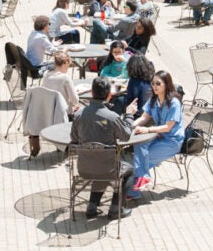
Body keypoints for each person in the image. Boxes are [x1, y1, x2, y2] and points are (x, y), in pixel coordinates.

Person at [71, 76, 133, 220]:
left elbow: (74, 139)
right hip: (108, 169)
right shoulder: (112, 117)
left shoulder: (79, 114)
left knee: (100, 163)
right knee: (129, 170)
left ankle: (92, 206)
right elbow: (126, 136)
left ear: (92, 92)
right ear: (109, 95)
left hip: (84, 168)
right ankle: (116, 208)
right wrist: (129, 115)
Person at [128, 71, 185, 198]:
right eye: (153, 83)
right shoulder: (153, 100)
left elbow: (168, 127)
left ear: (166, 84)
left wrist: (147, 130)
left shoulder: (174, 103)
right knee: (139, 146)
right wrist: (130, 125)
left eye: (158, 83)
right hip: (159, 137)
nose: (154, 86)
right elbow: (143, 118)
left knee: (143, 159)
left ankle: (134, 190)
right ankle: (139, 183)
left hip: (172, 141)